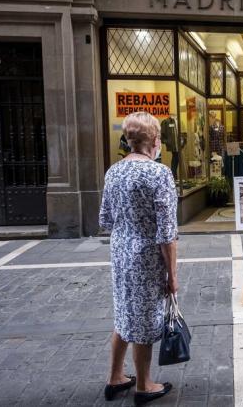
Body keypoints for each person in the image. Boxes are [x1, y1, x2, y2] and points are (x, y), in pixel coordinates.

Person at [99, 112, 179, 405]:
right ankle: (144, 385)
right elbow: (166, 233)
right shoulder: (159, 173)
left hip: (120, 254)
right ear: (155, 140)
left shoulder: (113, 172)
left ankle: (115, 377)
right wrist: (172, 274)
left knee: (124, 314)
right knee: (144, 320)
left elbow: (105, 219)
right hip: (146, 256)